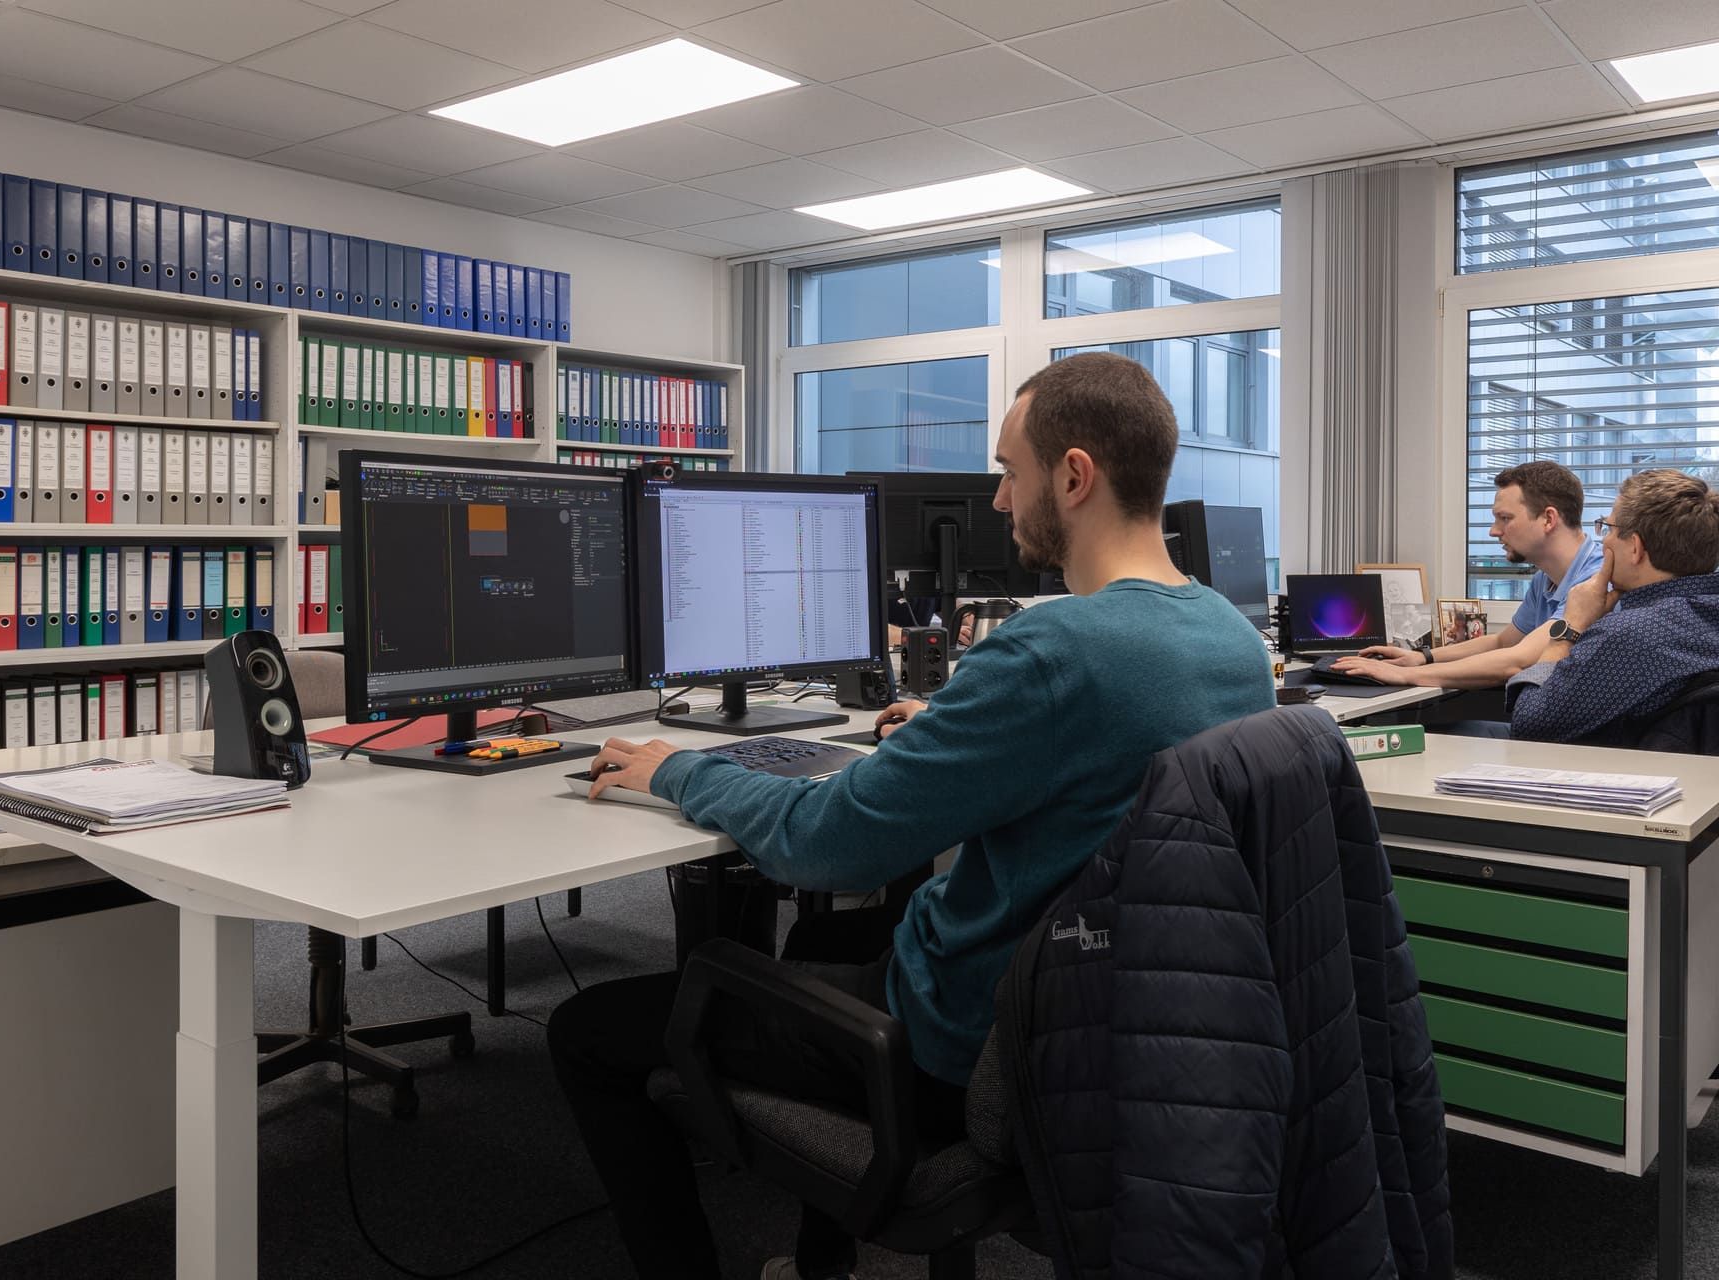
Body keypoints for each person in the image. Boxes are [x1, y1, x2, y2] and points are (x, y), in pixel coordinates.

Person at [547, 352, 1276, 1280]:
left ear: (1074, 476)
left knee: (587, 1031)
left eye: (1009, 472)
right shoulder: (1229, 637)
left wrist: (682, 770)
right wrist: (958, 720)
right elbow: (1096, 747)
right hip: (1114, 1030)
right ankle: (821, 1263)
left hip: (959, 1045)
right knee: (820, 943)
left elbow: (827, 845)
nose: (1000, 500)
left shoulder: (1051, 651)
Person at [1331, 461, 1600, 688]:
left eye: (1505, 518)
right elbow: (1502, 642)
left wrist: (1404, 675)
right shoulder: (1547, 579)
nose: (1493, 531)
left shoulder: (1596, 580)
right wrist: (1422, 657)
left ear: (1549, 519)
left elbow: (1517, 660)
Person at [1510, 469, 1719, 745]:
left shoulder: (1630, 635)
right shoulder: (1704, 615)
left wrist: (1570, 628)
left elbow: (1528, 725)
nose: (1604, 540)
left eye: (1609, 528)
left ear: (1635, 548)